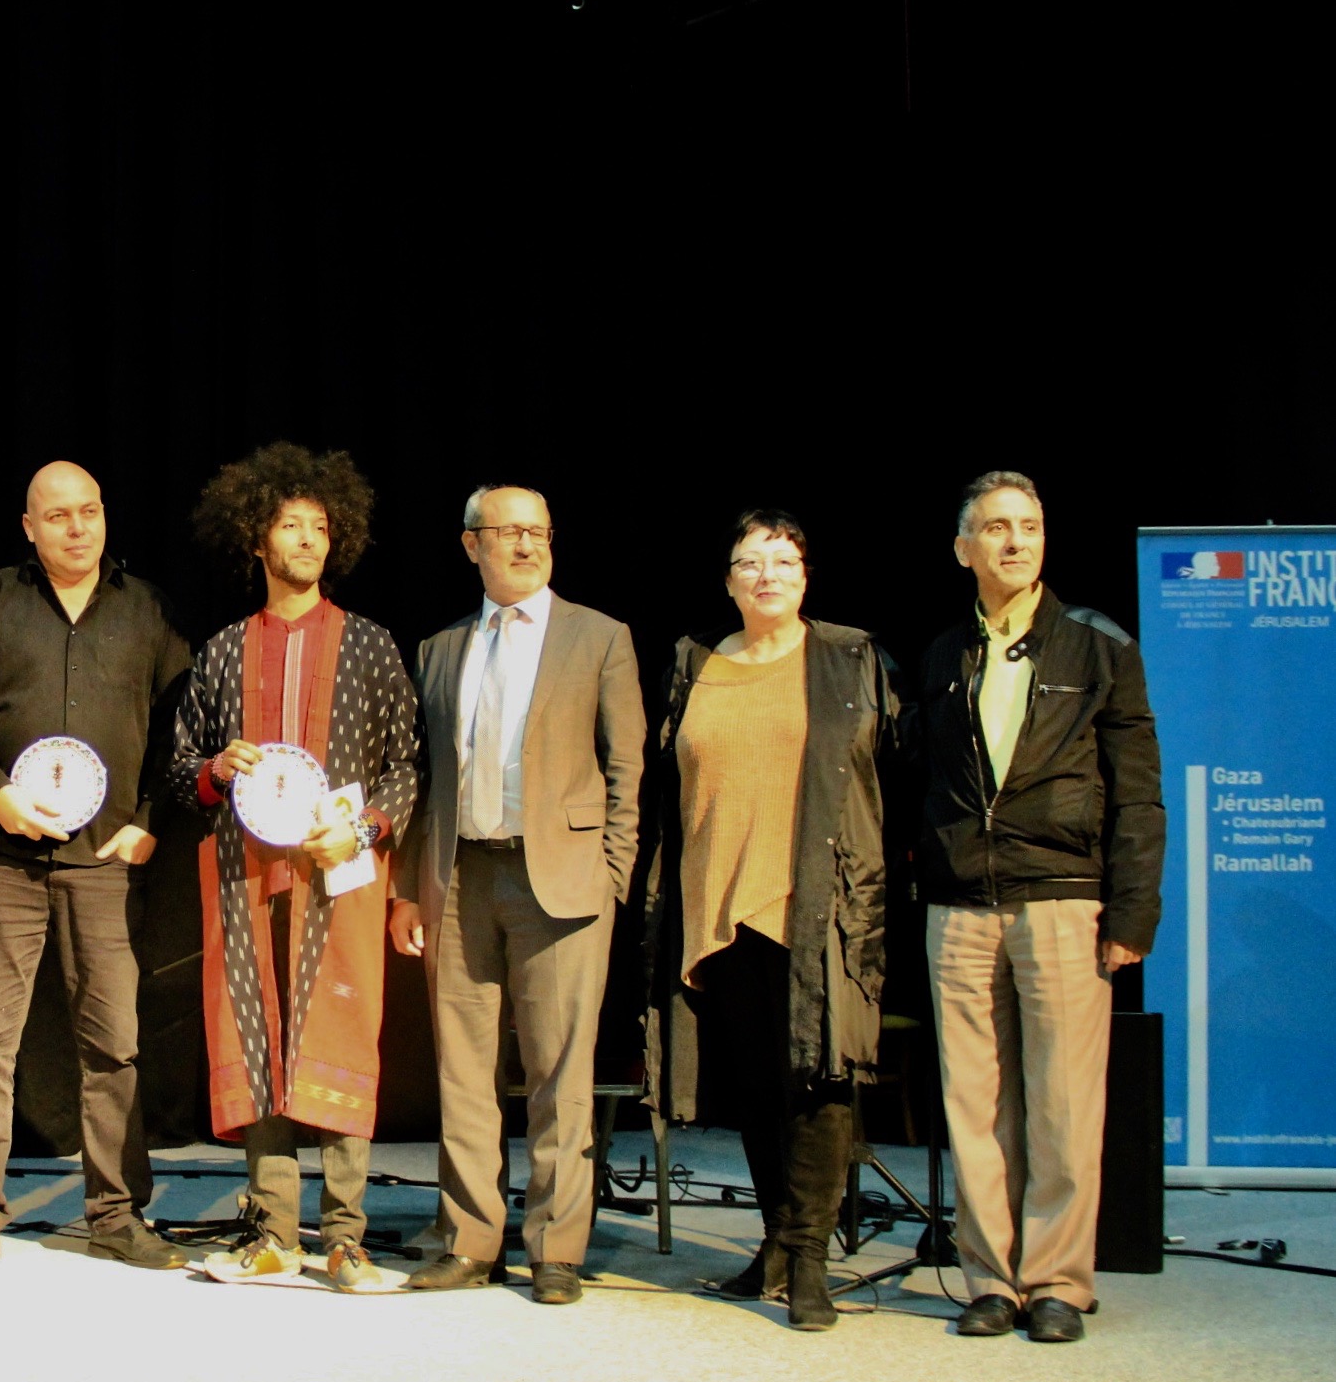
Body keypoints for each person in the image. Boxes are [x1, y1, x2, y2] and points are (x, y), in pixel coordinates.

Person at [0, 460, 191, 1272]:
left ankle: (117, 1214)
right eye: (59, 515)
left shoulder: (147, 608)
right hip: (1, 856)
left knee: (114, 1043)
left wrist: (148, 823)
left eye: (90, 511)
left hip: (104, 861)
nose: (77, 527)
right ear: (29, 527)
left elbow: (182, 725)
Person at [918, 470, 1163, 1344]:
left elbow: (1138, 794)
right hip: (961, 904)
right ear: (964, 549)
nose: (1015, 540)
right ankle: (990, 1279)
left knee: (1062, 1102)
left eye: (1029, 525)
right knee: (976, 1104)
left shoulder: (1099, 646)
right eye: (996, 527)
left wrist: (1132, 915)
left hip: (1064, 897)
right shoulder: (943, 655)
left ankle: (1058, 1282)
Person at [642, 510, 900, 1330]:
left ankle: (812, 1257)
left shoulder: (848, 657)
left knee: (816, 1083)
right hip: (717, 905)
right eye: (751, 563)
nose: (767, 576)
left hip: (812, 904)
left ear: (806, 577)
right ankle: (777, 1245)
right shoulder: (695, 661)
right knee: (755, 1086)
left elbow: (886, 775)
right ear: (728, 581)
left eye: (784, 562)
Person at [170, 444, 417, 1289]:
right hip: (243, 874)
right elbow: (182, 771)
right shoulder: (222, 651)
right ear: (257, 539)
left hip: (338, 872)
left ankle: (346, 1237)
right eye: (290, 525)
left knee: (341, 1025)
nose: (307, 539)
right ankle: (273, 1230)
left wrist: (366, 830)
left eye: (320, 527)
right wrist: (217, 769)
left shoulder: (370, 647)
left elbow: (406, 765)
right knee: (254, 1028)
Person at [390, 485, 644, 1304]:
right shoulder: (439, 648)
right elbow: (422, 776)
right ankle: (470, 1242)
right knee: (463, 1070)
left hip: (562, 880)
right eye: (509, 532)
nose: (528, 545)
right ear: (472, 545)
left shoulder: (599, 636)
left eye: (539, 531)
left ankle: (556, 1248)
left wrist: (612, 873)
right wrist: (405, 890)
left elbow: (627, 766)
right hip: (458, 875)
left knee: (559, 1071)